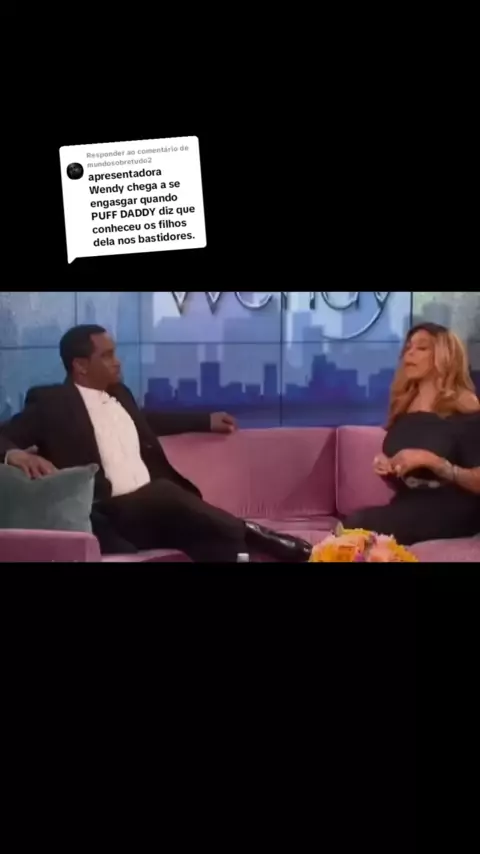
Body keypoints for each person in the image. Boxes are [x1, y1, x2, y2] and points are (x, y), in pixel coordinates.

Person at [0, 325, 312, 562]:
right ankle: (258, 534)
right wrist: (13, 453)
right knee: (163, 491)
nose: (117, 362)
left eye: (115, 353)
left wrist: (205, 420)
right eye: (107, 356)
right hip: (107, 512)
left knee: (217, 542)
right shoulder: (52, 403)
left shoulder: (120, 394)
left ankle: (251, 542)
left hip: (152, 515)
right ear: (80, 365)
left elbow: (149, 420)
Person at [344, 323, 480, 544]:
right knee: (353, 529)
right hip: (408, 504)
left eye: (421, 348)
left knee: (356, 526)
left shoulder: (464, 404)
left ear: (444, 356)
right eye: (408, 348)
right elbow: (409, 480)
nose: (410, 353)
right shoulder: (403, 405)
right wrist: (390, 469)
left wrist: (434, 462)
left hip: (453, 510)